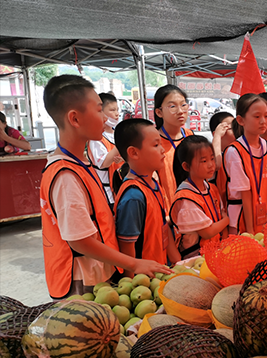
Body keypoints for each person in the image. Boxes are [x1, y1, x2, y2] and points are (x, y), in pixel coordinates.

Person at [40, 75, 171, 299]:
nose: (105, 118)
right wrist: (133, 263)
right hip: (82, 282)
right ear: (75, 118)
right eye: (99, 110)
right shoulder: (65, 175)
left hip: (99, 273)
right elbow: (80, 241)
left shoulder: (82, 165)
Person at [113, 119, 181, 274]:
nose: (162, 150)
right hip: (144, 282)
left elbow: (164, 229)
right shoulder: (133, 196)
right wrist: (132, 282)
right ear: (133, 153)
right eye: (156, 145)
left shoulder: (154, 185)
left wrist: (178, 263)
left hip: (161, 271)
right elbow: (127, 248)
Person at [223, 93, 267, 234]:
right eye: (257, 117)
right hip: (243, 221)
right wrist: (251, 231)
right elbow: (245, 194)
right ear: (241, 120)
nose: (264, 121)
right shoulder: (235, 151)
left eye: (266, 116)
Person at [170, 136, 229, 258]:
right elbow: (208, 232)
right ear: (186, 166)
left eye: (212, 159)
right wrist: (227, 220)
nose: (211, 165)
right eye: (204, 161)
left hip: (215, 253)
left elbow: (220, 217)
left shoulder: (211, 188)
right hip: (195, 259)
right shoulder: (186, 197)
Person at [154, 85, 194, 209]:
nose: (180, 111)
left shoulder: (190, 136)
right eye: (172, 106)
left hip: (193, 207)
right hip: (168, 211)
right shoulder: (154, 141)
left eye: (183, 105)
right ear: (159, 112)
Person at [87, 93, 124, 206]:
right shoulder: (96, 138)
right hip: (107, 193)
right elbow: (103, 163)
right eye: (112, 110)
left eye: (117, 109)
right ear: (100, 112)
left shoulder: (117, 134)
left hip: (122, 187)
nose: (117, 114)